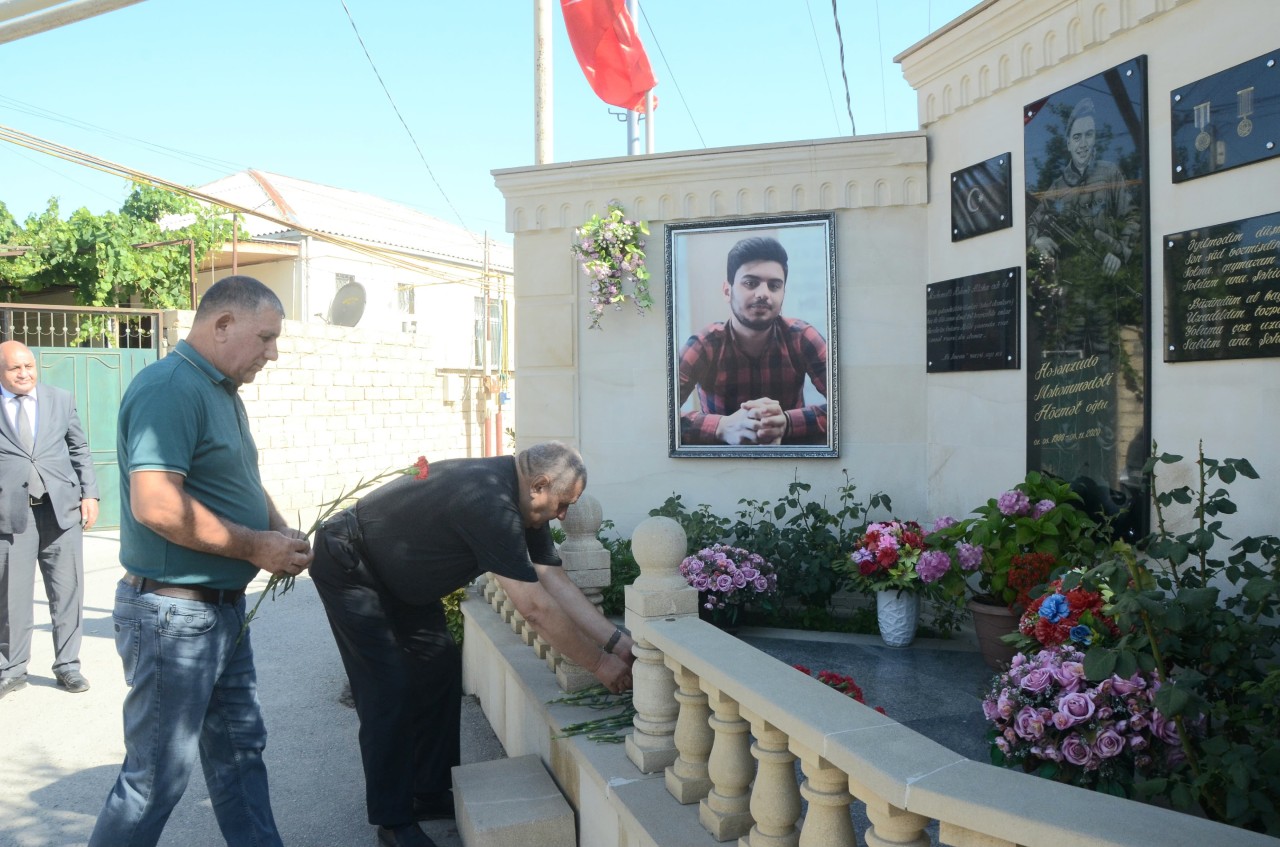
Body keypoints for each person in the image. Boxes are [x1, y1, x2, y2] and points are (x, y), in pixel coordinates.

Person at [311, 441, 634, 847]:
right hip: (351, 563)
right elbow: (534, 608)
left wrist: (617, 642)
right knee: (386, 689)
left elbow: (554, 579)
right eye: (564, 503)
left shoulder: (524, 502)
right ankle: (393, 821)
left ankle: (428, 791)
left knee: (441, 666)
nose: (563, 515)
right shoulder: (490, 501)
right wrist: (600, 665)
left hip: (404, 581)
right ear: (540, 484)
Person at [90, 276, 313, 847]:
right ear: (222, 325)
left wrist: (277, 529)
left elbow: (238, 482)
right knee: (156, 780)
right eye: (264, 338)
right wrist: (257, 548)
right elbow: (157, 504)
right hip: (173, 614)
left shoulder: (219, 390)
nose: (273, 352)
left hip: (217, 613)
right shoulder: (169, 388)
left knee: (241, 752)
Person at [0, 340, 99, 700]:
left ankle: (68, 666)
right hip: (11, 513)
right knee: (11, 594)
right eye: (15, 368)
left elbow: (79, 448)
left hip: (61, 510)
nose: (24, 373)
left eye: (29, 366)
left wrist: (90, 493)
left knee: (67, 590)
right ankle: (12, 668)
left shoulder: (60, 398)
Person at [677, 236, 828, 445]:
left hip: (792, 464)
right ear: (727, 291)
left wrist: (787, 422)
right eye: (750, 283)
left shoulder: (802, 337)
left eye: (774, 285)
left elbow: (850, 405)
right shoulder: (704, 344)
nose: (763, 294)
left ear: (784, 292)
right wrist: (721, 427)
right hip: (717, 467)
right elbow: (656, 415)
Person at [1027, 96, 1140, 278]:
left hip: (1107, 275)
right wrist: (1037, 240)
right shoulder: (1057, 186)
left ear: (1095, 137)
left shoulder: (1110, 173)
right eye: (1077, 137)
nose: (1083, 144)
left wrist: (1120, 252)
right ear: (1068, 143)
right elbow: (1031, 224)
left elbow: (1133, 217)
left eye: (1089, 134)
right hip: (1072, 283)